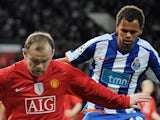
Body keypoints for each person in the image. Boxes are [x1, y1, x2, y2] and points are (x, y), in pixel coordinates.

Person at [0, 32, 150, 120]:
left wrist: (123, 100)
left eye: (44, 61)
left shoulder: (63, 72)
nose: (39, 67)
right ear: (25, 54)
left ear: (52, 54)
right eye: (34, 61)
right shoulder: (7, 77)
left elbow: (93, 91)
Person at [57, 5, 160, 119]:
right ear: (117, 27)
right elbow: (67, 61)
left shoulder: (147, 52)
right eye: (124, 30)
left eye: (133, 32)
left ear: (141, 30)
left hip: (128, 111)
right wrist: (41, 63)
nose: (128, 36)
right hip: (97, 111)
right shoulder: (99, 44)